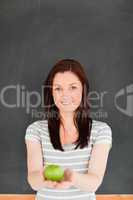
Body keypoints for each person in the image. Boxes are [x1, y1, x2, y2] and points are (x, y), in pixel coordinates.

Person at [25, 59, 112, 200]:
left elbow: (94, 182)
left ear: (83, 89)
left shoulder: (101, 130)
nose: (65, 95)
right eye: (58, 88)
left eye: (73, 87)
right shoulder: (35, 130)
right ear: (51, 92)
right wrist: (43, 176)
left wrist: (72, 177)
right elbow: (33, 181)